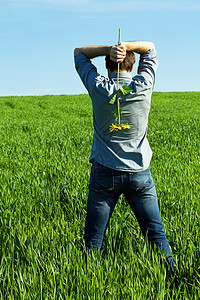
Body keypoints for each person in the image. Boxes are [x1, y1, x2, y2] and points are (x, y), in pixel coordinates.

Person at [74, 40, 177, 283]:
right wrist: (127, 45)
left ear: (108, 65)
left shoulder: (98, 87)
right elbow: (150, 48)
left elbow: (79, 53)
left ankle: (85, 286)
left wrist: (108, 49)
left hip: (104, 174)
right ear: (132, 67)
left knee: (93, 242)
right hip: (140, 174)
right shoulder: (143, 85)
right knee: (156, 236)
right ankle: (175, 282)